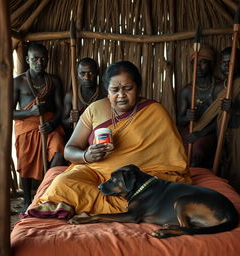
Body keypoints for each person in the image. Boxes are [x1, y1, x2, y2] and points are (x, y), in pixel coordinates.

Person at [24, 61, 191, 220]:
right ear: (107, 90)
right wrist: (86, 156)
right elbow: (69, 150)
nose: (121, 95)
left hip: (137, 181)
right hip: (96, 174)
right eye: (115, 90)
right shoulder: (95, 109)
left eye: (128, 88)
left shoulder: (155, 112)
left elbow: (172, 164)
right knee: (62, 182)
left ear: (138, 88)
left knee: (149, 193)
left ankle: (87, 205)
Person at [13, 43, 65, 212]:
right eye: (35, 59)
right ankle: (28, 200)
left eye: (43, 59)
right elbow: (8, 112)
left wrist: (52, 123)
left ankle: (46, 191)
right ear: (28, 60)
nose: (39, 62)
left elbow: (60, 109)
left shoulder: (54, 81)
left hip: (49, 127)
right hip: (27, 127)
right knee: (25, 159)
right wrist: (31, 113)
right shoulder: (18, 82)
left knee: (59, 149)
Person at [177, 45, 219, 168]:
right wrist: (187, 117)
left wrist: (201, 133)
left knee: (197, 152)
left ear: (211, 64)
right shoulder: (187, 91)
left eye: (203, 62)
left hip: (210, 131)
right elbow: (179, 120)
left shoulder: (219, 88)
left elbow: (223, 118)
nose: (198, 66)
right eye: (195, 63)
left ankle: (196, 182)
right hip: (191, 130)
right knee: (177, 149)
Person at [217, 47, 240, 200]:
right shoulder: (220, 87)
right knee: (228, 173)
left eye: (231, 63)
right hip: (225, 135)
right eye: (224, 63)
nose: (226, 66)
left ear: (239, 64)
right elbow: (215, 117)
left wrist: (235, 110)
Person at [62, 58, 102, 140]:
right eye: (82, 73)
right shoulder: (71, 95)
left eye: (90, 73)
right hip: (76, 139)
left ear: (97, 73)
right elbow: (63, 122)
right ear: (77, 74)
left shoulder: (104, 94)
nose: (87, 77)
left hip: (98, 137)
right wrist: (70, 119)